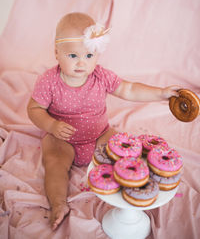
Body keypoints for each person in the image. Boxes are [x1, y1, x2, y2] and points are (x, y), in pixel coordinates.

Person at [27, 12, 179, 230]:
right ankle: (58, 204)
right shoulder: (49, 81)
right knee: (54, 164)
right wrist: (51, 125)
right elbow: (33, 109)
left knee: (127, 150)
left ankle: (139, 190)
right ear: (57, 53)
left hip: (100, 134)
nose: (82, 63)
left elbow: (129, 89)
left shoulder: (100, 76)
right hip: (62, 139)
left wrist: (161, 93)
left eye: (89, 56)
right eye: (73, 56)